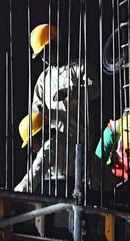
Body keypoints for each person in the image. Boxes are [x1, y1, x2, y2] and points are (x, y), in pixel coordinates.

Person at [15, 23, 92, 194]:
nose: (43, 59)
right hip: (54, 145)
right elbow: (35, 114)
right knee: (47, 152)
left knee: (49, 151)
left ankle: (20, 192)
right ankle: (22, 191)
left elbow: (95, 89)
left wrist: (70, 91)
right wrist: (32, 136)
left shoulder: (79, 68)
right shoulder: (44, 80)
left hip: (77, 143)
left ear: (55, 45)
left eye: (44, 53)